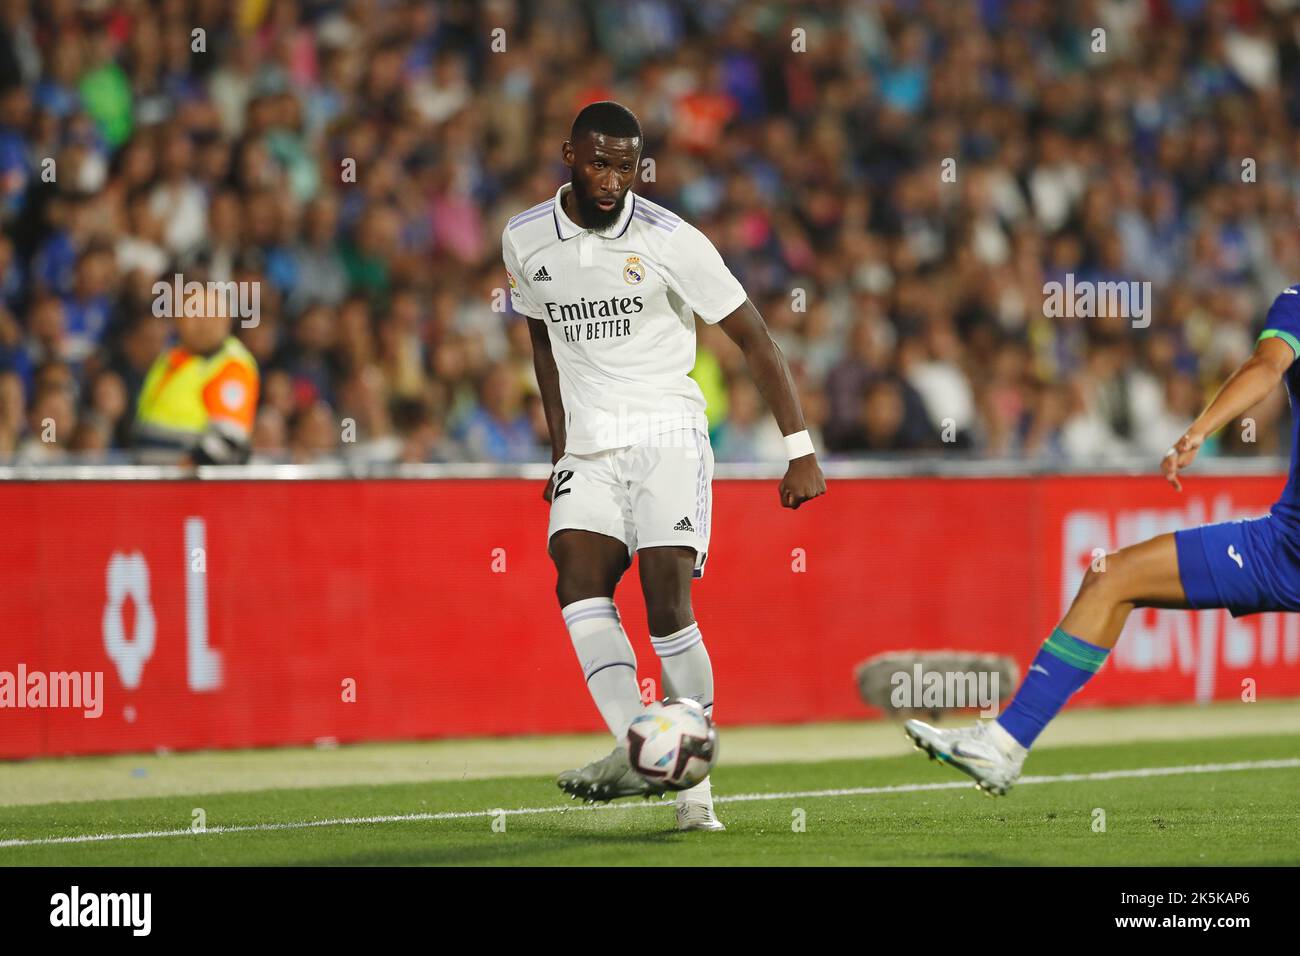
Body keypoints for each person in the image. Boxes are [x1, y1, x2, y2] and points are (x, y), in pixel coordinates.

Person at [502, 102, 826, 830]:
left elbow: (757, 339)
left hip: (668, 434)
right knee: (575, 578)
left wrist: (799, 449)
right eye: (599, 162)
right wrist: (560, 449)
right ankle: (636, 746)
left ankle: (693, 791)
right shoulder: (523, 238)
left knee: (664, 602)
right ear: (568, 154)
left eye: (626, 164)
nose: (613, 178)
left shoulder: (672, 240)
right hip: (589, 445)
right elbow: (543, 342)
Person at [905, 286, 1300, 795]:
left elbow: (1266, 366)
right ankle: (1004, 743)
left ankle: (1004, 744)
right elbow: (1266, 368)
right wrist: (1203, 428)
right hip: (1284, 546)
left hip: (1286, 546)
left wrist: (1200, 429)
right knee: (1110, 579)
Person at [134, 285, 259, 465]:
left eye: (213, 313)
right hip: (154, 479)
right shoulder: (171, 357)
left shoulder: (230, 366)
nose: (205, 323)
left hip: (191, 486)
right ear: (178, 318)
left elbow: (230, 439)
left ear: (227, 319)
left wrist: (187, 471)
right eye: (195, 312)